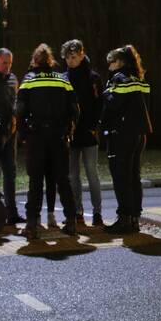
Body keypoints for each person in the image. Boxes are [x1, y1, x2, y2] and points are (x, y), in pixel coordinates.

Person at [15, 43, 80, 238]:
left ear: (35, 61)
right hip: (59, 137)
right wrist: (69, 129)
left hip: (37, 138)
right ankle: (71, 222)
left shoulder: (29, 80)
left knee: (36, 182)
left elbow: (19, 111)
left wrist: (23, 133)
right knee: (63, 180)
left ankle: (32, 225)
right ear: (51, 61)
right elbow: (75, 110)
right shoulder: (63, 80)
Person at [99, 45, 152, 234]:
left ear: (119, 62)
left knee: (121, 177)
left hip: (121, 134)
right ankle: (135, 218)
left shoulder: (118, 79)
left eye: (111, 62)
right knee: (134, 177)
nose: (109, 66)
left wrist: (104, 93)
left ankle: (124, 219)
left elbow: (113, 104)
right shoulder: (138, 79)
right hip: (139, 133)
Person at [61, 39, 104, 228]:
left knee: (91, 172)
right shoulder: (64, 78)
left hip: (88, 132)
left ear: (81, 55)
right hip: (71, 133)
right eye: (67, 58)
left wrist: (93, 126)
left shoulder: (93, 77)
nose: (70, 61)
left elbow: (99, 104)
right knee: (72, 175)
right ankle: (77, 211)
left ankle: (97, 212)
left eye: (73, 57)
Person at [0, 48, 23, 224]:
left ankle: (11, 212)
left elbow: (15, 102)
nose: (8, 67)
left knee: (10, 173)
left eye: (10, 63)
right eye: (4, 63)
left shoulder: (12, 79)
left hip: (11, 132)